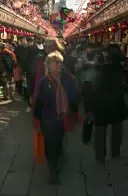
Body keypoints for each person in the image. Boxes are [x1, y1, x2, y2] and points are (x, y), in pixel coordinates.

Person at [33, 51, 79, 185]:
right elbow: (40, 101)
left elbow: (74, 97)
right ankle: (53, 171)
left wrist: (74, 111)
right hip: (48, 118)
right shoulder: (44, 81)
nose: (59, 65)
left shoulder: (68, 79)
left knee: (58, 142)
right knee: (50, 144)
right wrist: (37, 117)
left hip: (62, 117)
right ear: (49, 65)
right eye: (55, 62)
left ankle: (56, 161)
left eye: (60, 62)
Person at [88, 44, 128, 163]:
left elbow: (94, 87)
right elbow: (123, 86)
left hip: (101, 104)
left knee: (100, 131)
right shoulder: (121, 69)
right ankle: (115, 152)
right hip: (117, 103)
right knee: (117, 129)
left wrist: (90, 105)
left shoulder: (101, 69)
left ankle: (100, 155)